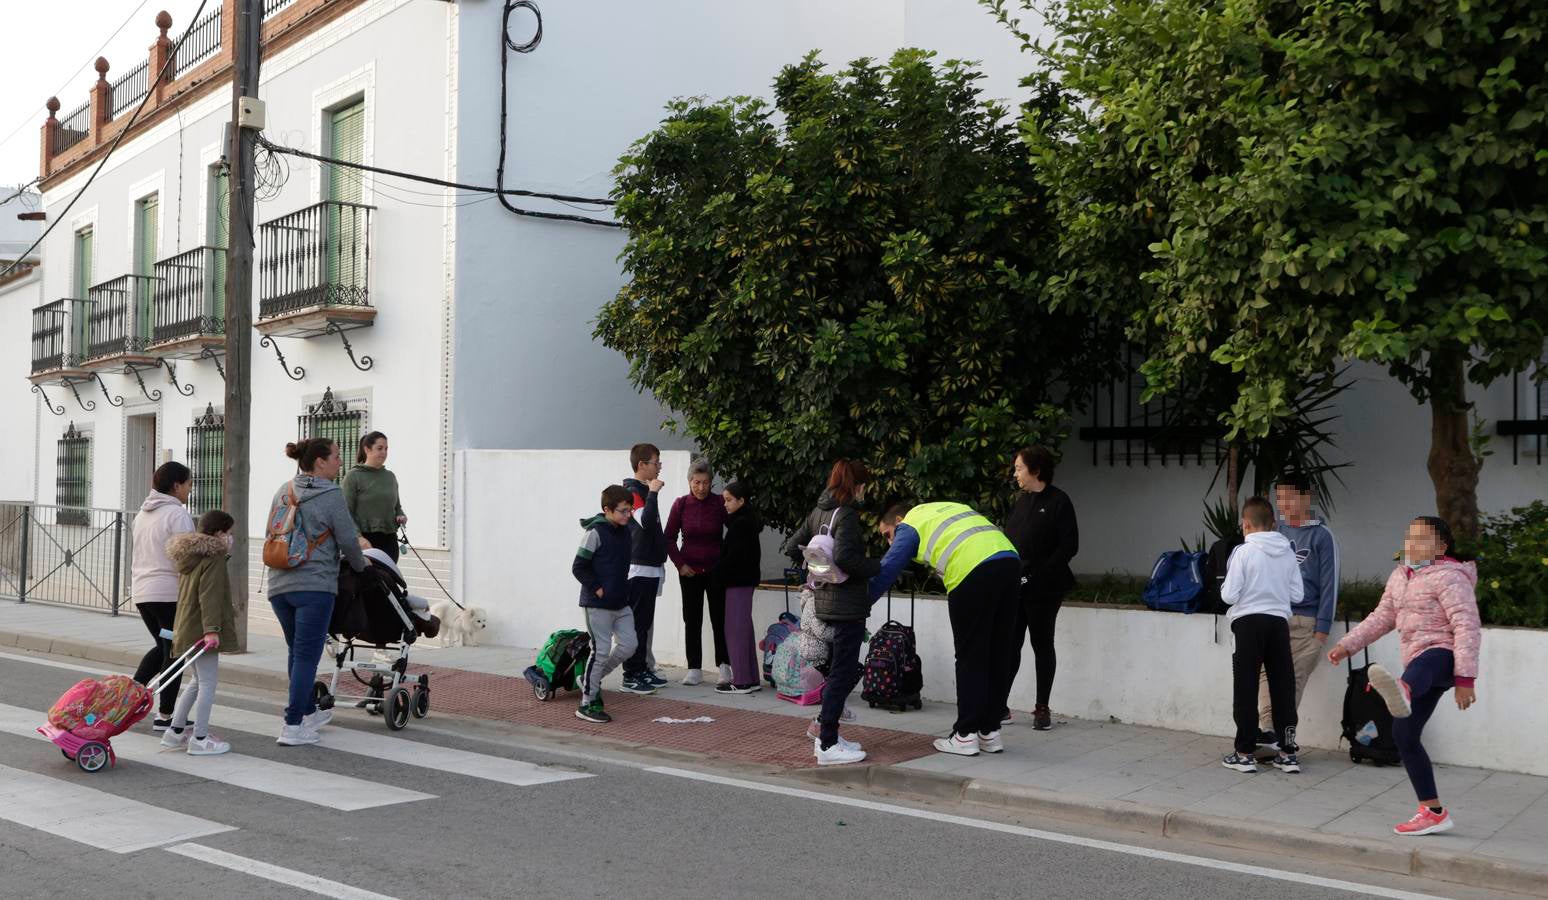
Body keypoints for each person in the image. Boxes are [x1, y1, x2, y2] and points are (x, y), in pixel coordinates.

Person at [1329, 516, 1480, 836]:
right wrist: (1347, 645)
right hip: (1418, 663)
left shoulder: (1451, 577)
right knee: (1403, 736)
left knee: (1425, 662)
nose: (1412, 544)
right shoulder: (1400, 577)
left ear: (1441, 546)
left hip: (1443, 656)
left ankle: (1403, 688)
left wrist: (1466, 679)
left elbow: (1466, 625)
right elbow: (1382, 617)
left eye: (1421, 538)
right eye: (1409, 537)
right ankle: (1433, 810)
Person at [873, 502, 1020, 758]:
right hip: (1009, 561)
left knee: (970, 655)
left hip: (973, 569)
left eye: (887, 534)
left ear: (898, 520)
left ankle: (965, 735)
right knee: (999, 653)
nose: (889, 542)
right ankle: (990, 731)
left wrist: (859, 604)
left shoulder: (910, 523)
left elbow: (888, 568)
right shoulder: (944, 509)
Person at [267, 437, 369, 746]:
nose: (341, 462)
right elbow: (349, 540)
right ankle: (293, 725)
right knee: (306, 656)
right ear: (320, 463)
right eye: (336, 457)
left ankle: (307, 712)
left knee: (297, 653)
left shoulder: (283, 490)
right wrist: (362, 567)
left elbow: (271, 532)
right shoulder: (330, 494)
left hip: (278, 585)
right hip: (314, 585)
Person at [782, 460, 882, 765]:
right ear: (857, 485)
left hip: (823, 599)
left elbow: (791, 546)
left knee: (838, 671)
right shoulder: (847, 515)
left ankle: (829, 735)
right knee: (843, 673)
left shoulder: (819, 511)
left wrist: (817, 570)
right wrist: (878, 565)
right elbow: (848, 560)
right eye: (864, 485)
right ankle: (827, 744)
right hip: (847, 604)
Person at [1254, 472, 1340, 755]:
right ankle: (1269, 733)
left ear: (1306, 497)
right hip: (1275, 617)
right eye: (1279, 498)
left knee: (1291, 681)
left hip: (1307, 623)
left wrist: (1321, 631)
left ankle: (1281, 734)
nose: (1283, 504)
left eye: (1289, 497)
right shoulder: (1274, 532)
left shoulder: (1321, 535)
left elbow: (1330, 584)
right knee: (1266, 674)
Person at [1220, 496, 1304, 775]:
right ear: (1274, 524)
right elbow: (1298, 594)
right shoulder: (1288, 552)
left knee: (1246, 686)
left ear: (1246, 524)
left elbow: (1229, 595)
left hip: (1247, 624)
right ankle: (1288, 753)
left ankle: (1244, 753)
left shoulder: (1243, 553)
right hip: (1278, 623)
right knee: (1283, 686)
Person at [1002, 444, 1079, 731]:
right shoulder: (1022, 502)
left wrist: (1040, 573)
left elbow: (1069, 545)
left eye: (1019, 468)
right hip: (1017, 586)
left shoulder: (1059, 501)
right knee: (1011, 643)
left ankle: (1042, 708)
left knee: (1042, 644)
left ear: (1036, 470)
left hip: (1046, 588)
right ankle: (1000, 704)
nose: (1015, 474)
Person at [159, 510, 240, 756]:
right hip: (201, 631)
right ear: (218, 533)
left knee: (197, 681)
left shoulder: (193, 556)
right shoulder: (213, 558)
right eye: (228, 533)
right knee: (207, 683)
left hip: (187, 626)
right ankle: (200, 738)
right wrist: (212, 630)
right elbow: (210, 596)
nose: (230, 538)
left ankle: (174, 732)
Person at [131, 461, 196, 732]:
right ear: (176, 485)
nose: (190, 490)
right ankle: (165, 716)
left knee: (163, 647)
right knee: (175, 652)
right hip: (169, 593)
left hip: (143, 592)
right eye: (189, 484)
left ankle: (128, 698)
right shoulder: (177, 514)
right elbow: (188, 558)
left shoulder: (142, 514)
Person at [572, 485, 641, 724]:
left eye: (629, 510)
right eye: (623, 511)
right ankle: (587, 703)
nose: (627, 515)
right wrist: (598, 589)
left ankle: (592, 678)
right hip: (597, 604)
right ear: (607, 510)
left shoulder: (624, 530)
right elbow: (578, 566)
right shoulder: (595, 533)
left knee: (629, 645)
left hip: (621, 603)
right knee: (600, 650)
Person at [665, 458, 728, 686]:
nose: (701, 487)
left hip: (716, 570)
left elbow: (735, 531)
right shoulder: (680, 504)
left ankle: (724, 667)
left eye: (705, 482)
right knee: (692, 620)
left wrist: (725, 562)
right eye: (696, 482)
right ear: (689, 481)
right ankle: (694, 668)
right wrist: (680, 564)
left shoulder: (720, 503)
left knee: (719, 619)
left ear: (711, 482)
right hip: (689, 572)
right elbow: (669, 538)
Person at [620, 443, 669, 694]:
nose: (659, 467)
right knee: (636, 624)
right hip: (638, 569)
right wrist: (653, 493)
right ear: (642, 465)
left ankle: (642, 669)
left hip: (651, 568)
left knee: (645, 624)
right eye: (656, 462)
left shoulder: (644, 490)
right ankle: (631, 674)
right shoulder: (633, 491)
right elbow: (646, 521)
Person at [714, 480, 762, 694]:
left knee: (735, 630)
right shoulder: (745, 522)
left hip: (737, 581)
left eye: (729, 500)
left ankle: (742, 680)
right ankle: (750, 677)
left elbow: (733, 557)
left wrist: (715, 572)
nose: (725, 504)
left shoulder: (740, 524)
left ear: (741, 501)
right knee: (743, 628)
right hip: (744, 581)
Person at [343, 431, 407, 562]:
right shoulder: (353, 476)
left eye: (386, 449)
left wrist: (400, 515)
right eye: (379, 448)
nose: (384, 452)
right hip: (365, 541)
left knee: (388, 581)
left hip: (389, 540)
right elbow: (345, 512)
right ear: (367, 449)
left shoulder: (390, 476)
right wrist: (358, 538)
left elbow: (397, 506)